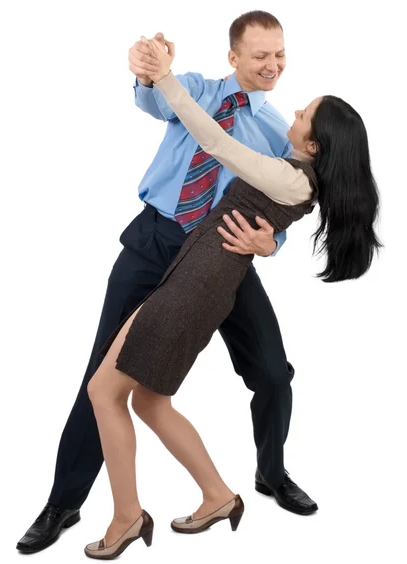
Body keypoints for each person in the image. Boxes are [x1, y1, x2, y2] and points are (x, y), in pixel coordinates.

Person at [18, 11, 318, 555]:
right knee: (104, 371)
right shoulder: (198, 90)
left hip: (223, 257)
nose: (272, 66)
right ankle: (64, 501)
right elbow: (156, 98)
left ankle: (271, 474)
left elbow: (286, 202)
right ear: (234, 57)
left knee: (273, 373)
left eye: (280, 55)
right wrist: (147, 70)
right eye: (260, 55)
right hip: (156, 243)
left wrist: (270, 245)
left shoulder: (281, 131)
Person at [83, 35, 380, 559]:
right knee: (150, 400)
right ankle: (218, 496)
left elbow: (215, 142)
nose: (295, 106)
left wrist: (169, 75)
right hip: (193, 274)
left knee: (104, 392)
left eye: (306, 113)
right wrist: (156, 77)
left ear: (313, 145)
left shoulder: (291, 178)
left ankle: (126, 517)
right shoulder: (294, 171)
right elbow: (163, 108)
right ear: (234, 57)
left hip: (197, 285)